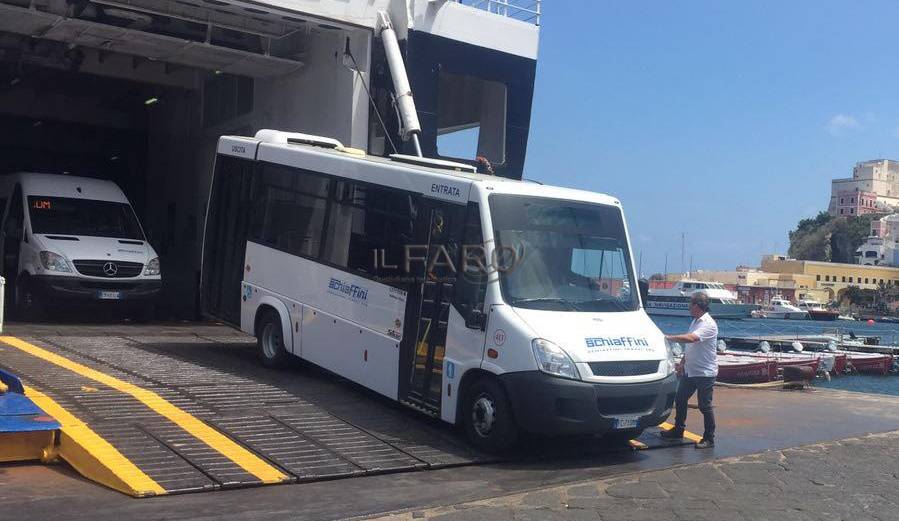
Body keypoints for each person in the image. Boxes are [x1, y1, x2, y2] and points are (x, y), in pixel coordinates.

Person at [660, 292, 718, 448]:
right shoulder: (695, 321)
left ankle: (709, 438)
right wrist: (682, 363)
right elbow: (690, 347)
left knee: (705, 405)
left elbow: (692, 338)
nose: (688, 307)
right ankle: (678, 430)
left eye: (690, 304)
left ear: (697, 306)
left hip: (705, 373)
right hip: (691, 371)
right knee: (680, 399)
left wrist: (668, 337)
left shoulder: (708, 323)